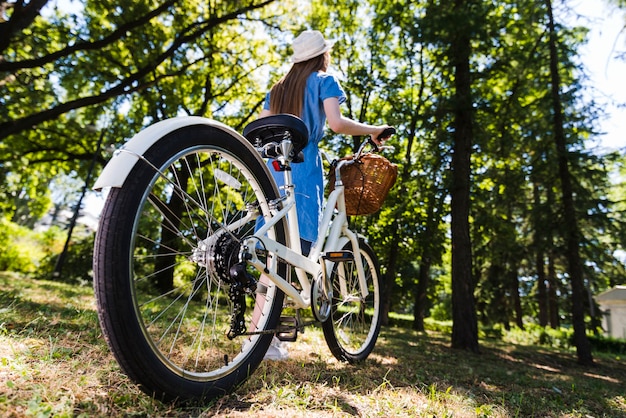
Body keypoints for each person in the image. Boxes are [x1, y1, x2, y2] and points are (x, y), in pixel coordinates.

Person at [254, 30, 392, 360]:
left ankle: (261, 337)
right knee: (297, 249)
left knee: (274, 254)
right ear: (322, 55)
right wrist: (374, 131)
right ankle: (271, 341)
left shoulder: (278, 87)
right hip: (303, 166)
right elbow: (336, 123)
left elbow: (261, 125)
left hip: (272, 167)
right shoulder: (323, 80)